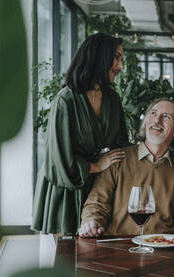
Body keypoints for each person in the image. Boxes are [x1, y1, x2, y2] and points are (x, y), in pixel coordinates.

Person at [32, 33, 130, 235]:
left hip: (99, 189)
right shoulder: (65, 101)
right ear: (99, 57)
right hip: (67, 189)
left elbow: (121, 145)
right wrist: (95, 166)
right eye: (116, 57)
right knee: (67, 259)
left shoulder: (113, 99)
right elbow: (57, 159)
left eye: (121, 59)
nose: (120, 66)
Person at [79, 99, 174, 237]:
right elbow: (96, 205)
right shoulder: (116, 159)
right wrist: (92, 222)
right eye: (153, 114)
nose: (157, 121)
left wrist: (170, 246)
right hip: (117, 250)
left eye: (166, 116)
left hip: (163, 253)